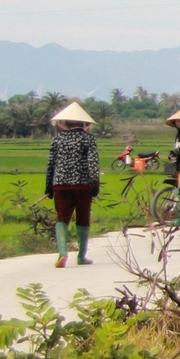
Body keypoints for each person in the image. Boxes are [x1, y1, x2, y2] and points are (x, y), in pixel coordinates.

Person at [44, 101, 101, 268]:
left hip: (60, 184)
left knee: (62, 218)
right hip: (83, 185)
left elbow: (51, 164)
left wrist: (49, 186)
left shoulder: (57, 139)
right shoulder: (88, 138)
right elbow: (93, 162)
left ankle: (62, 253)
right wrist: (95, 182)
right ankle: (82, 256)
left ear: (65, 123)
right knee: (83, 218)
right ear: (84, 124)